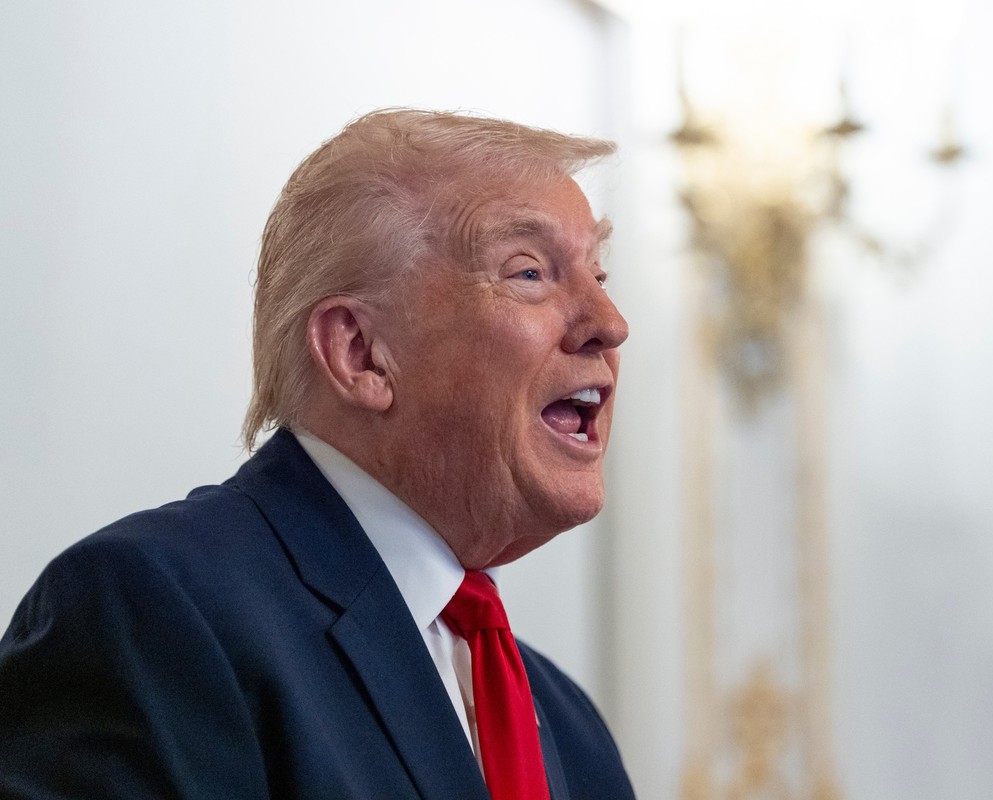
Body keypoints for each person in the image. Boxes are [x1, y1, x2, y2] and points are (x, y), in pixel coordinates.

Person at [0, 109, 635, 800]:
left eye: (599, 275)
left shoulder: (570, 726)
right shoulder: (151, 615)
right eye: (530, 272)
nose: (610, 324)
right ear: (360, 353)